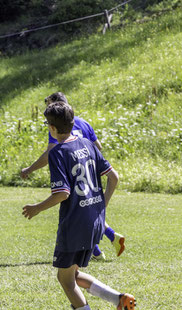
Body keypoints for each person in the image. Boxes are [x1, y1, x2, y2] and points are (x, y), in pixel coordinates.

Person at [22, 102, 136, 310]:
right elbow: (113, 177)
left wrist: (37, 208)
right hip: (94, 221)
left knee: (65, 280)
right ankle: (119, 299)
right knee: (72, 273)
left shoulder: (57, 153)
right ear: (74, 122)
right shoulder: (87, 143)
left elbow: (62, 193)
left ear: (52, 128)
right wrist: (100, 206)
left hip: (74, 224)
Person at [19, 92, 126, 261]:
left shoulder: (57, 141)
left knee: (67, 278)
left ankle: (98, 248)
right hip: (90, 179)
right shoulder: (83, 128)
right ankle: (101, 246)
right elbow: (98, 147)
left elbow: (51, 159)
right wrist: (88, 159)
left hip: (74, 200)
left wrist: (30, 171)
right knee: (88, 211)